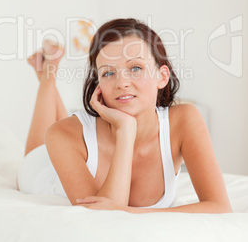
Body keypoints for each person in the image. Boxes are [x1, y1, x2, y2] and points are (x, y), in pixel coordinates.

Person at [17, 18, 232, 213]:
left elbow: (220, 207)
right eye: (108, 73)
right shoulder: (61, 133)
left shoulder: (185, 120)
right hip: (42, 170)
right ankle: (48, 72)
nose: (122, 83)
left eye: (136, 68)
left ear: (162, 76)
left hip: (77, 147)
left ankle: (47, 68)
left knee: (73, 131)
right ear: (98, 84)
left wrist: (132, 213)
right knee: (38, 148)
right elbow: (104, 218)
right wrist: (126, 130)